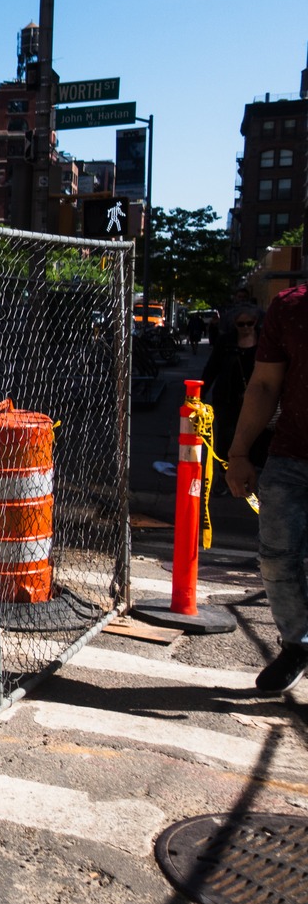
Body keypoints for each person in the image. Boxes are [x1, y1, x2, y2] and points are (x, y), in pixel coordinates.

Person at [226, 283, 308, 693]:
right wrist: (239, 452)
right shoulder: (291, 307)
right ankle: (297, 645)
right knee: (277, 557)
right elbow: (263, 385)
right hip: (292, 456)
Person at [203, 307, 267, 472]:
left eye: (249, 323)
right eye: (241, 324)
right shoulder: (226, 341)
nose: (246, 327)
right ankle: (225, 475)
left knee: (256, 436)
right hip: (228, 397)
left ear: (256, 323)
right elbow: (212, 368)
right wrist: (199, 393)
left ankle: (250, 473)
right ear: (234, 324)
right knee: (226, 436)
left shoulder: (265, 341)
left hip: (256, 399)